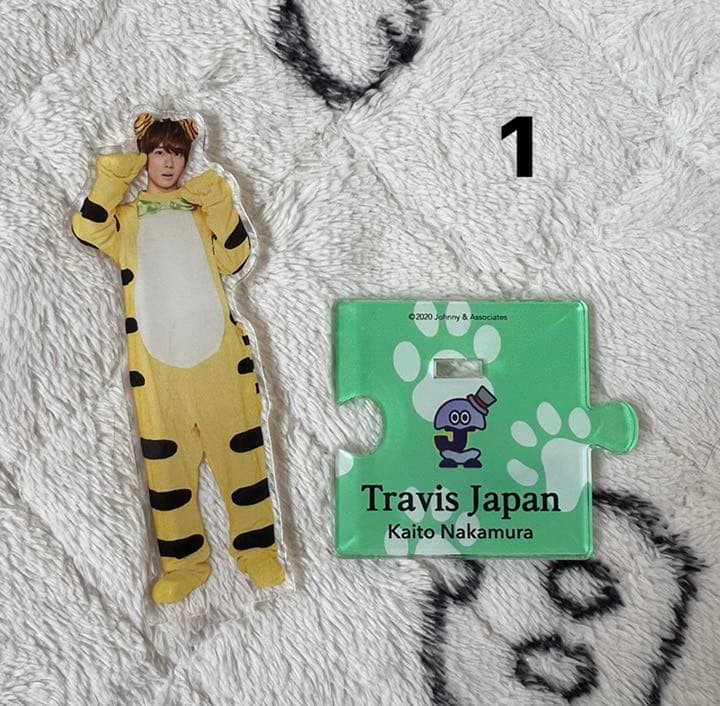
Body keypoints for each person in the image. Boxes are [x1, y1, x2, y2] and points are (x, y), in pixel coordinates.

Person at [72, 113, 285, 603]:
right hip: (158, 370)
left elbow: (234, 257)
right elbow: (88, 227)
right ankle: (184, 565)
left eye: (177, 153)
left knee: (243, 457)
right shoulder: (127, 220)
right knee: (167, 472)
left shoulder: (200, 212)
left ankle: (258, 551)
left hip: (220, 359)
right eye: (159, 152)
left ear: (187, 158)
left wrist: (221, 202)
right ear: (145, 155)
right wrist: (112, 179)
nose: (168, 162)